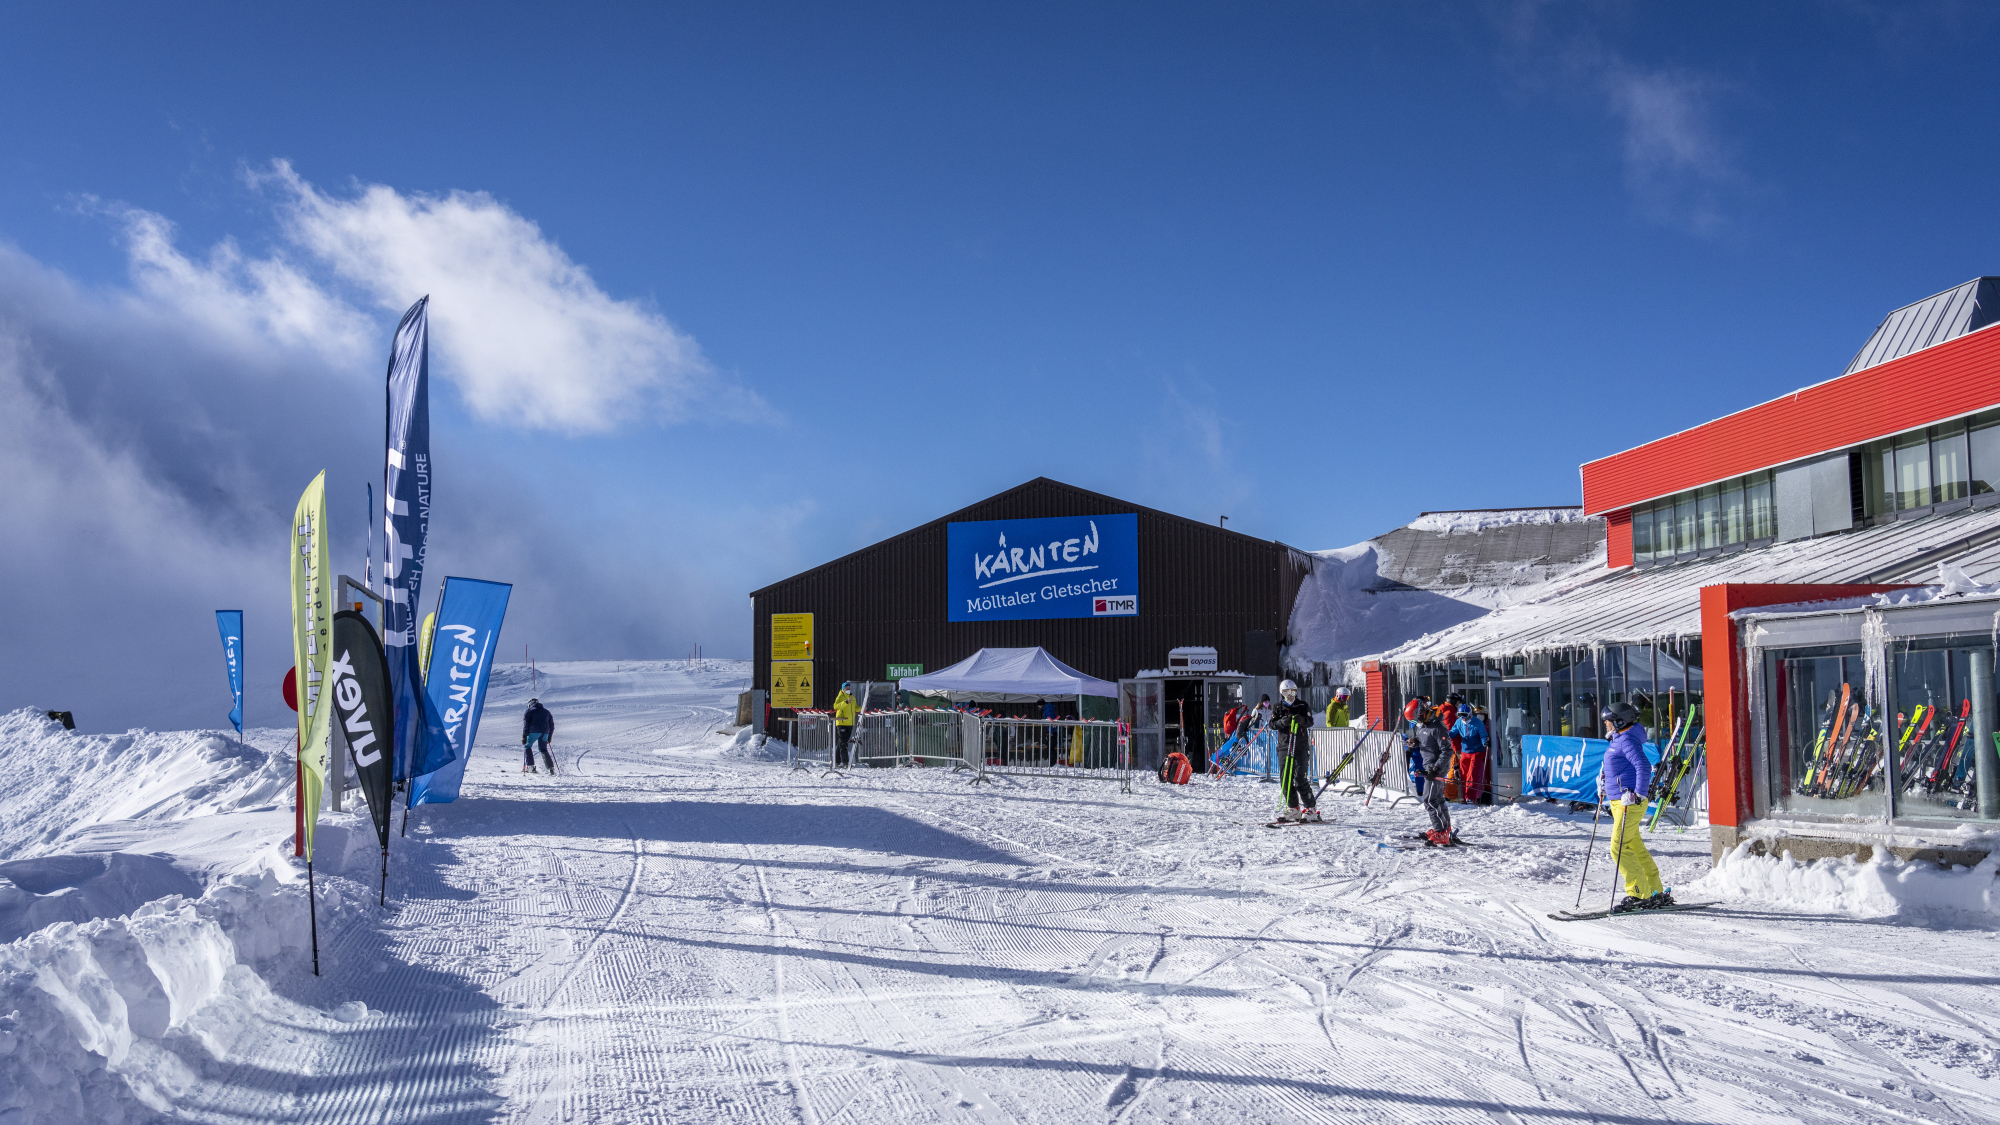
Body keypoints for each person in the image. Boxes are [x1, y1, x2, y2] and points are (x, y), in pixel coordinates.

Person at [1599, 702, 1671, 911]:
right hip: (1619, 801)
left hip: (1629, 802)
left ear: (1620, 721)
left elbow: (1643, 766)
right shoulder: (1619, 738)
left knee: (1618, 847)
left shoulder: (1626, 740)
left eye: (1608, 720)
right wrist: (1605, 784)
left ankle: (1639, 893)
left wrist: (1638, 794)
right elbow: (1619, 768)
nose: (1605, 723)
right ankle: (1654, 890)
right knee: (1632, 846)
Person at [1405, 700, 1457, 845]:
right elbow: (1424, 739)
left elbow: (1447, 750)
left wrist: (1436, 768)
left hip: (1437, 768)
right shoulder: (1424, 725)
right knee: (1438, 798)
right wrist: (1415, 741)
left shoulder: (1437, 726)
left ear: (1421, 713)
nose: (1415, 723)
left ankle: (1441, 832)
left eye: (1415, 720)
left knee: (1429, 800)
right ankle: (1445, 829)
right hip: (1430, 766)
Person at [1271, 679, 1321, 823]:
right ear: (1282, 692)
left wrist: (1301, 720)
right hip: (1284, 746)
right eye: (1286, 692)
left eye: (1292, 692)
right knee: (1285, 779)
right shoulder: (1278, 707)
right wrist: (1283, 722)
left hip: (1300, 747)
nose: (1290, 695)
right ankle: (1293, 808)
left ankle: (1311, 807)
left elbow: (1310, 722)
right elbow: (1272, 724)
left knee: (1300, 779)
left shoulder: (1302, 705)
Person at [1453, 706, 1491, 804]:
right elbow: (1453, 732)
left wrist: (1485, 742)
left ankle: (1470, 797)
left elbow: (1483, 735)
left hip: (1476, 751)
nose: (1463, 718)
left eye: (1465, 715)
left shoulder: (1478, 723)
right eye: (1460, 715)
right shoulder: (1459, 722)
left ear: (1470, 714)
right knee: (1463, 775)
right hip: (1465, 752)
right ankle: (1464, 797)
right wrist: (1447, 734)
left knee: (1472, 775)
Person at [522, 697, 556, 774]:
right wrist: (549, 736)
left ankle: (530, 767)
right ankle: (550, 768)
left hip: (532, 732)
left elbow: (526, 724)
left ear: (529, 704)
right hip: (545, 733)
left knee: (527, 746)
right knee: (543, 749)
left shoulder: (529, 711)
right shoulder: (547, 712)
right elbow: (552, 725)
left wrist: (524, 736)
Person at [833, 682, 858, 767]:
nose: (848, 689)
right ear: (843, 689)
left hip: (850, 723)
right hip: (842, 722)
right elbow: (836, 706)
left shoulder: (852, 697)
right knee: (844, 743)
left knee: (841, 742)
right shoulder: (840, 696)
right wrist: (845, 702)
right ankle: (845, 762)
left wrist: (862, 708)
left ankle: (837, 762)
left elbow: (855, 708)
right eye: (846, 688)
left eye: (849, 688)